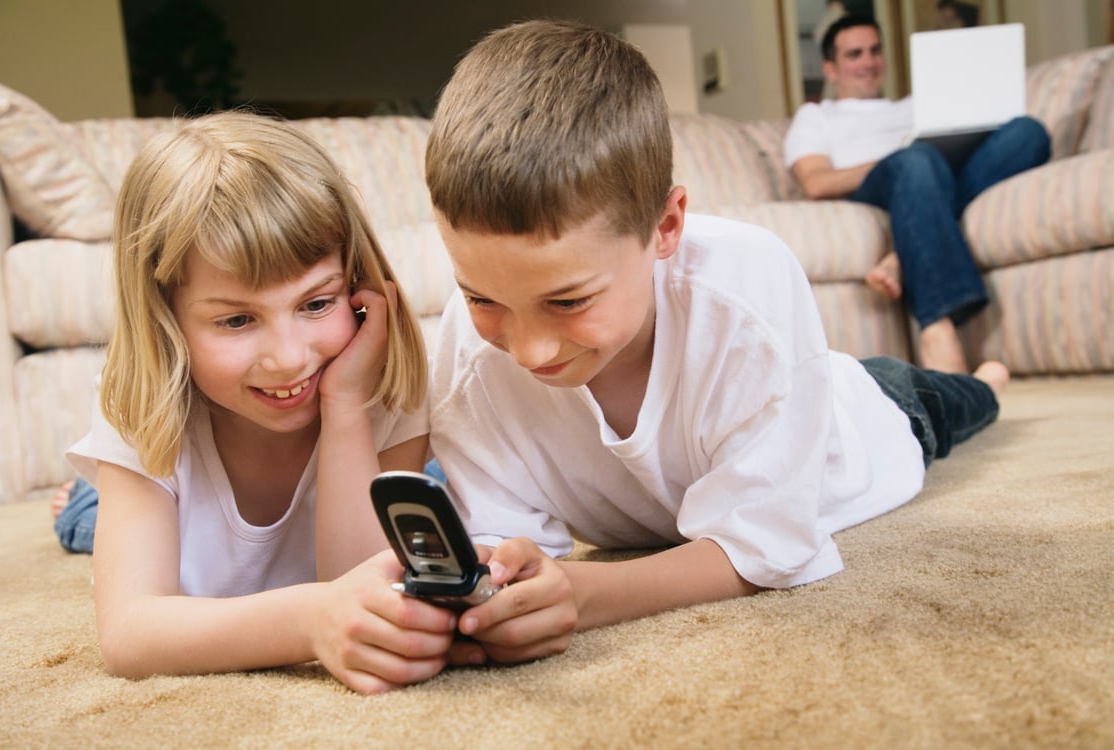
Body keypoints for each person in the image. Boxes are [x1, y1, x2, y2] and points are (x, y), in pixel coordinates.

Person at [422, 19, 1011, 667]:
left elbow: (765, 547)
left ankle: (988, 378)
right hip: (787, 392)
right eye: (482, 297)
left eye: (569, 300)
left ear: (666, 226)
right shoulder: (466, 350)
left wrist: (586, 595)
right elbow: (500, 541)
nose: (530, 351)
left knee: (961, 399)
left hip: (876, 411)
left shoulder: (746, 285)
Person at [65, 111, 459, 695]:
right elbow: (128, 634)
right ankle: (83, 494)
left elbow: (361, 585)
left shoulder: (376, 386)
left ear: (353, 283)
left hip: (355, 436)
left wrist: (346, 406)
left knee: (441, 500)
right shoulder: (138, 404)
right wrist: (309, 621)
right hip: (164, 452)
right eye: (237, 319)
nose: (289, 358)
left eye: (317, 304)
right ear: (164, 318)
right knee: (85, 521)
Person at [782, 14, 1050, 373]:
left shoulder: (913, 106)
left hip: (931, 178)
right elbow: (816, 182)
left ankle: (901, 257)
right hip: (879, 185)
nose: (869, 62)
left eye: (875, 51)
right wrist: (899, 156)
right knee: (917, 159)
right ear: (831, 69)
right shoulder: (816, 116)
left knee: (1028, 133)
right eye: (855, 54)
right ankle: (937, 325)